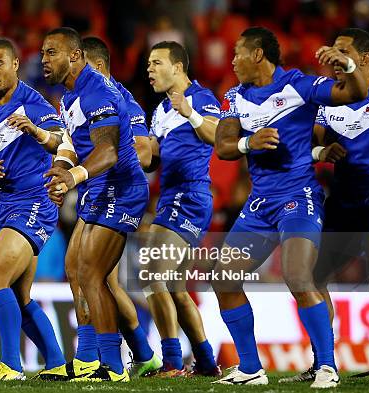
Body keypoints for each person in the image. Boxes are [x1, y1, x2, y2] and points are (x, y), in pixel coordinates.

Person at [212, 26, 367, 387]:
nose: (232, 61)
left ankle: (326, 367)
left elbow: (355, 90)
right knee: (223, 278)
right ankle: (251, 368)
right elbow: (223, 145)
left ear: (257, 55)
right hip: (260, 203)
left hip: (299, 198)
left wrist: (345, 62)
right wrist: (250, 142)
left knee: (298, 276)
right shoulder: (235, 96)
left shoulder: (298, 86)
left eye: (237, 53)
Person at [42, 27, 149, 382]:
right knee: (74, 268)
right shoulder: (68, 95)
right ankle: (87, 360)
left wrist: (73, 179)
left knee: (92, 273)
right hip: (99, 185)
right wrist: (60, 169)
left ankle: (112, 365)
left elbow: (108, 150)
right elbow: (72, 144)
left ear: (74, 56)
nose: (43, 61)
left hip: (122, 188)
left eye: (51, 53)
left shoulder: (98, 90)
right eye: (43, 53)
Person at [280, 27, 369, 384]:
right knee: (313, 276)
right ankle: (324, 362)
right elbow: (307, 148)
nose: (333, 57)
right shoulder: (328, 99)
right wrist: (321, 151)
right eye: (332, 50)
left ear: (365, 59)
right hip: (344, 201)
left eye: (343, 51)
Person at [0, 37, 66, 381]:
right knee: (19, 296)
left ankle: (9, 366)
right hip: (8, 204)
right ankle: (56, 361)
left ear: (14, 65)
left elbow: (61, 141)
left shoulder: (32, 102)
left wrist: (37, 131)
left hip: (36, 200)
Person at [144, 40, 221, 377]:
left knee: (150, 274)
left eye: (156, 63)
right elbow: (153, 160)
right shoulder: (160, 111)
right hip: (169, 197)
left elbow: (217, 136)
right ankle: (205, 362)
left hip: (190, 196)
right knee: (174, 286)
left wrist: (189, 112)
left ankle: (172, 360)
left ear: (177, 67)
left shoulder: (202, 98)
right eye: (147, 64)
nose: (149, 70)